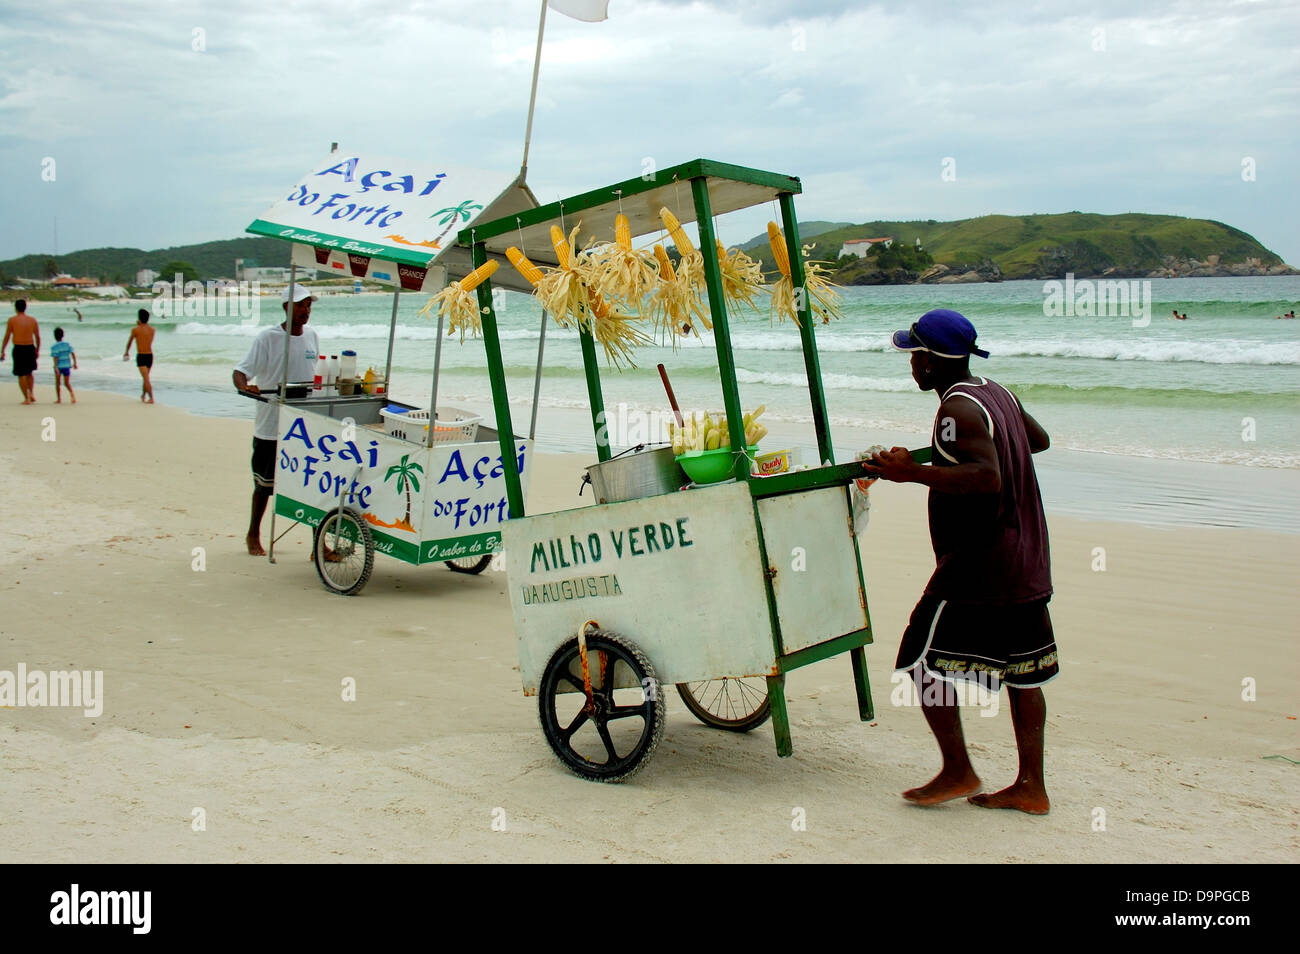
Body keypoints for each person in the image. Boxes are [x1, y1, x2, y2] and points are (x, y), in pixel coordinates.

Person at [863, 309, 1058, 815]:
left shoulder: (956, 409)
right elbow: (1037, 440)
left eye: (913, 355)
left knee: (919, 655)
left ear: (929, 361)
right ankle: (1031, 787)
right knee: (1024, 670)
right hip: (1027, 556)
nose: (910, 365)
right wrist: (937, 456)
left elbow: (985, 477)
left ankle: (957, 769)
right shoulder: (995, 392)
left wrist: (911, 474)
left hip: (981, 560)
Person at [232, 285, 320, 556]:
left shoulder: (313, 337)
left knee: (314, 486)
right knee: (265, 486)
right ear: (286, 307)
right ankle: (252, 534)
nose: (306, 310)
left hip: (303, 426)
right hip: (271, 426)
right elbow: (240, 371)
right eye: (300, 305)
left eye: (308, 305)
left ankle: (319, 545)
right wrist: (245, 386)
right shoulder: (267, 338)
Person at [2, 299, 40, 404]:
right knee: (29, 373)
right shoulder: (32, 320)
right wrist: (37, 350)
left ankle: (26, 398)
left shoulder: (12, 320)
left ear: (15, 308)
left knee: (21, 374)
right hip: (30, 347)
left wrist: (3, 350)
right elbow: (37, 337)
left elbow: (7, 336)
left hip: (19, 348)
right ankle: (31, 393)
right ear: (25, 307)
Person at [124, 309, 156, 403]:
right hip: (150, 356)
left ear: (139, 318)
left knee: (146, 378)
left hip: (141, 356)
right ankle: (143, 395)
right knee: (146, 377)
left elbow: (130, 342)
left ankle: (151, 398)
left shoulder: (135, 330)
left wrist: (126, 352)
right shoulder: (152, 330)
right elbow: (146, 338)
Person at [50, 327, 77, 404]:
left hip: (59, 366)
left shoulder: (54, 347)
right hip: (67, 366)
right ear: (63, 335)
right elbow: (73, 353)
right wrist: (75, 363)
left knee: (58, 383)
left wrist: (55, 366)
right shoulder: (67, 344)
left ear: (54, 336)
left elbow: (55, 357)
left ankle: (59, 399)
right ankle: (72, 395)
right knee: (67, 383)